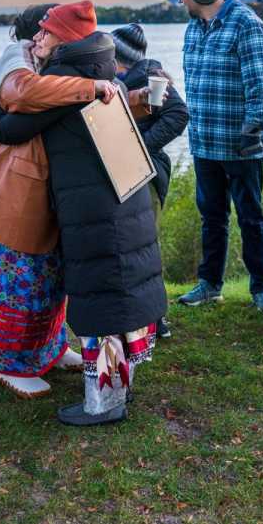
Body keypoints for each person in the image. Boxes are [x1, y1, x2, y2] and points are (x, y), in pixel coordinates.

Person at [0, 0, 166, 427]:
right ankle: (119, 387)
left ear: (65, 38)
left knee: (101, 300)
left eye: (45, 32)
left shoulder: (67, 81)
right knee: (119, 293)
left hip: (93, 207)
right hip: (119, 197)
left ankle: (105, 402)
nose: (36, 38)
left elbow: (11, 127)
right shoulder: (102, 70)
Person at [0, 4, 115, 397]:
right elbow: (20, 95)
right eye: (38, 29)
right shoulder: (19, 56)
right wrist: (91, 89)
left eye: (47, 31)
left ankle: (48, 350)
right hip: (7, 186)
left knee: (47, 279)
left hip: (50, 190)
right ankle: (3, 360)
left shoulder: (79, 62)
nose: (38, 37)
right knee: (12, 276)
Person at [173, 0, 263, 313]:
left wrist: (255, 127)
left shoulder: (246, 24)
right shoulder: (193, 28)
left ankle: (261, 289)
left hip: (241, 144)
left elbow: (262, 85)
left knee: (251, 218)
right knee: (212, 217)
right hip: (204, 142)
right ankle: (210, 284)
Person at [112, 22, 189, 338]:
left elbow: (178, 115)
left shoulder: (149, 77)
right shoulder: (121, 79)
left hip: (147, 173)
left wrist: (139, 147)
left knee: (145, 249)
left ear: (120, 56)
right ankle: (138, 317)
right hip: (127, 172)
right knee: (133, 249)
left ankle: (157, 321)